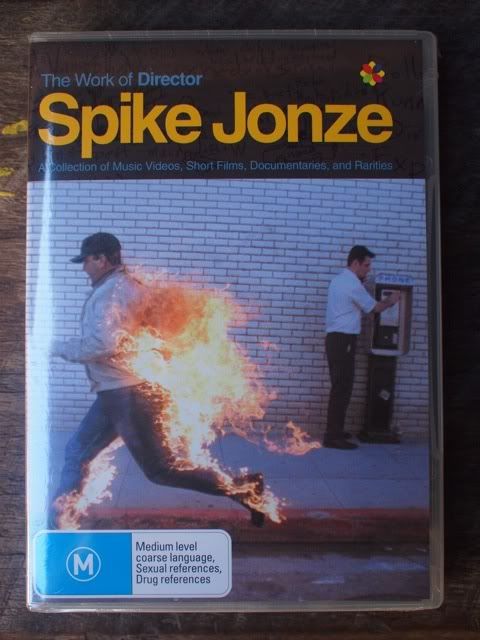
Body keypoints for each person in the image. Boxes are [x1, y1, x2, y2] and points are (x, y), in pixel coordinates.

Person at [50, 232, 265, 527]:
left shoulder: (113, 292)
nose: (84, 268)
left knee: (160, 469)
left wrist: (56, 347)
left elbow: (102, 344)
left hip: (128, 394)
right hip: (122, 392)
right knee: (78, 454)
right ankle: (60, 523)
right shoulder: (129, 286)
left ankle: (245, 489)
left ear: (101, 259)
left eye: (86, 261)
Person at [324, 245, 400, 450]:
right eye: (366, 265)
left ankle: (336, 430)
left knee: (340, 386)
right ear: (355, 263)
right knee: (342, 388)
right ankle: (332, 437)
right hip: (344, 340)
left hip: (335, 340)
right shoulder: (352, 285)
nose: (369, 269)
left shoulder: (339, 280)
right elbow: (375, 308)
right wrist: (391, 299)